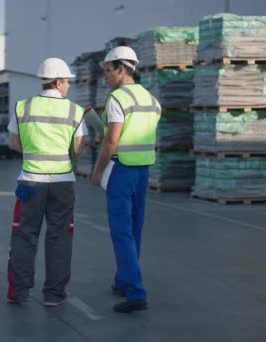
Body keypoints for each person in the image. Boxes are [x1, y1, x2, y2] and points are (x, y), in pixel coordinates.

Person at [6, 58, 88, 307]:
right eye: (67, 82)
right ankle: (54, 294)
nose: (69, 87)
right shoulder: (75, 111)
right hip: (62, 184)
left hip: (30, 182)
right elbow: (78, 148)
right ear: (59, 81)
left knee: (24, 236)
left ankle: (18, 292)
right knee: (60, 238)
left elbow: (13, 143)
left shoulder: (23, 107)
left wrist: (33, 153)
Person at [90, 46, 161, 313]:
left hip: (121, 172)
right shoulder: (151, 100)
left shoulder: (117, 98)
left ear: (121, 68)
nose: (105, 76)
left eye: (108, 70)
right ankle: (124, 281)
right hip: (143, 172)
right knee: (133, 231)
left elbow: (112, 140)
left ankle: (135, 293)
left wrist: (98, 172)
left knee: (121, 234)